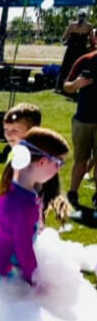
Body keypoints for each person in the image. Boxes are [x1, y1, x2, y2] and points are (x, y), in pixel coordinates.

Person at [0, 129, 68, 286]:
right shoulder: (24, 204)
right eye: (58, 163)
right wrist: (35, 281)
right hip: (2, 276)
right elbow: (23, 249)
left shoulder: (11, 186)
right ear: (42, 162)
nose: (59, 169)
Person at [64, 47, 97, 209]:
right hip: (82, 119)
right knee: (80, 160)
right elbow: (66, 86)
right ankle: (73, 193)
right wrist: (76, 84)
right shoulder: (84, 60)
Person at [57, 11, 95, 94]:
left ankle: (62, 86)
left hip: (71, 49)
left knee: (66, 67)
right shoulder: (88, 26)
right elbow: (92, 39)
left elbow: (64, 37)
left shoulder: (72, 25)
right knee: (81, 67)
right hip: (81, 49)